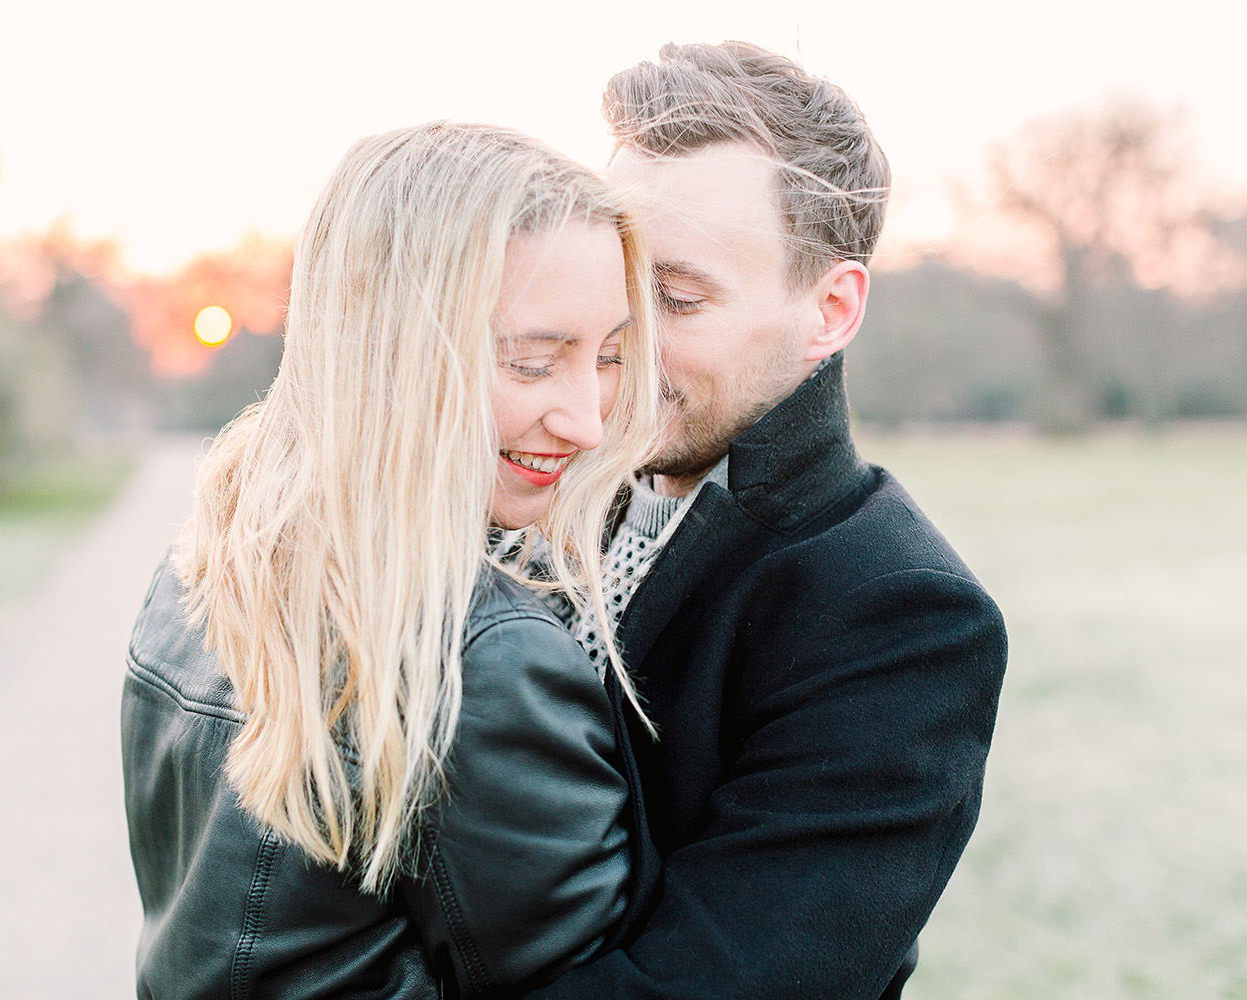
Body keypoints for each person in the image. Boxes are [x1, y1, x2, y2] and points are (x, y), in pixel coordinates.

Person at [120, 121, 662, 1000]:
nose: (589, 421)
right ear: (392, 349)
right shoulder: (480, 654)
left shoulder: (203, 564)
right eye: (532, 362)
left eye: (607, 357)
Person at [522, 42, 1008, 1000]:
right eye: (616, 289)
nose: (621, 341)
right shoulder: (527, 493)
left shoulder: (903, 615)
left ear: (830, 309)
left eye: (676, 298)